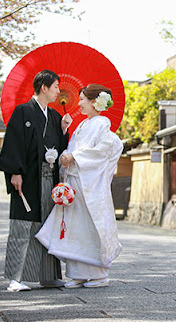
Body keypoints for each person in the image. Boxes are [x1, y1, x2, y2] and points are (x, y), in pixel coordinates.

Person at [36, 84, 123, 288]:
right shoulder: (83, 124)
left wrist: (74, 156)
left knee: (89, 226)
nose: (80, 103)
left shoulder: (102, 123)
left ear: (94, 102)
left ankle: (99, 274)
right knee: (74, 227)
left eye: (83, 99)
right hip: (75, 180)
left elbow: (102, 150)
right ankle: (77, 273)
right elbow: (74, 148)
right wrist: (65, 154)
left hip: (89, 184)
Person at [0, 70, 72, 292]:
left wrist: (65, 130)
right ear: (44, 87)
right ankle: (15, 277)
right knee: (22, 225)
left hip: (49, 178)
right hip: (28, 177)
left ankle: (48, 276)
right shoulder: (23, 112)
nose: (59, 91)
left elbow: (60, 145)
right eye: (56, 86)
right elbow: (14, 143)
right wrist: (15, 172)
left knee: (48, 225)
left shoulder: (56, 117)